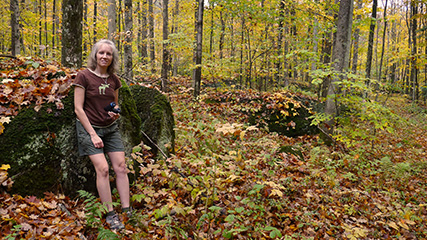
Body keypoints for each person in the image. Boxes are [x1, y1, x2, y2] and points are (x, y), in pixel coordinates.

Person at [73, 39, 131, 230]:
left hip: (110, 128)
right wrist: (93, 135)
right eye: (101, 53)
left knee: (121, 167)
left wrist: (115, 111)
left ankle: (127, 209)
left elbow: (115, 103)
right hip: (90, 129)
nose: (105, 56)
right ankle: (110, 214)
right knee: (104, 169)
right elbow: (78, 109)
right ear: (95, 55)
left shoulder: (114, 79)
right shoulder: (83, 76)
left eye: (109, 54)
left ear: (112, 57)